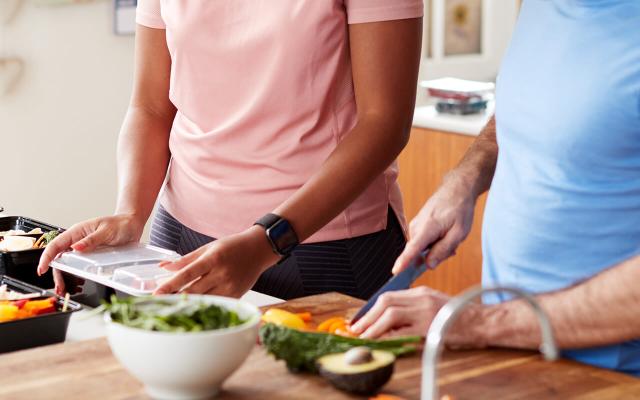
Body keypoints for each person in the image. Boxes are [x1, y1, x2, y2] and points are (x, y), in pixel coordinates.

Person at [37, 1, 424, 300]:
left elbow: (384, 124)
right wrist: (131, 213)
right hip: (181, 239)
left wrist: (267, 241)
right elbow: (152, 107)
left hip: (324, 245)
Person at [351, 0, 640, 375]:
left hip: (613, 378)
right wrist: (465, 180)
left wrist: (479, 323)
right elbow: (528, 105)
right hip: (511, 354)